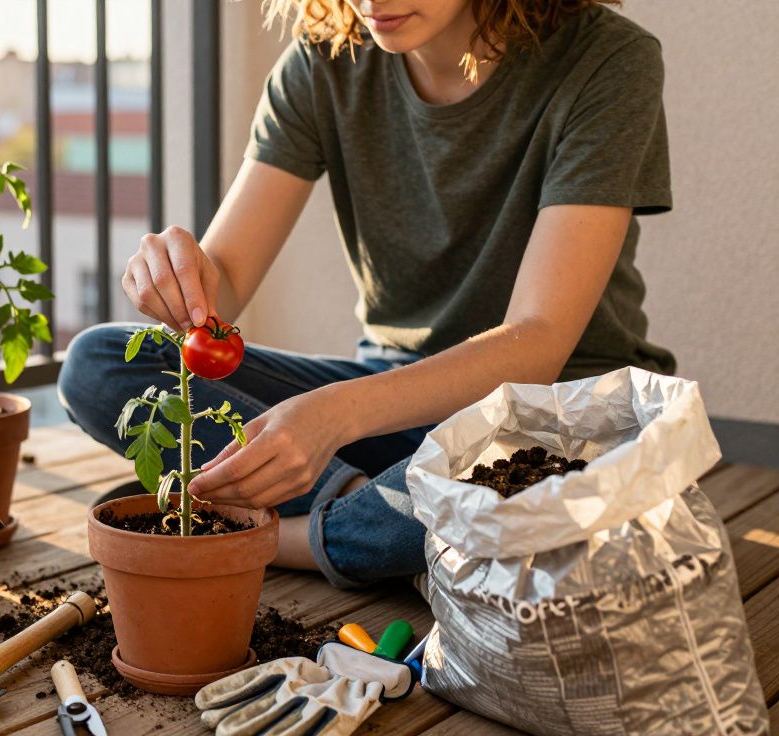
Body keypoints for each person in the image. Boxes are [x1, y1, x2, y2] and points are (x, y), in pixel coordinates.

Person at [57, 0, 674, 589]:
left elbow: (537, 341)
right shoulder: (322, 62)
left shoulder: (607, 59)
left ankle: (271, 537)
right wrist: (179, 277)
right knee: (98, 363)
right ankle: (370, 521)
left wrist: (336, 415)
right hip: (393, 403)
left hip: (559, 412)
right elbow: (226, 283)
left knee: (547, 488)